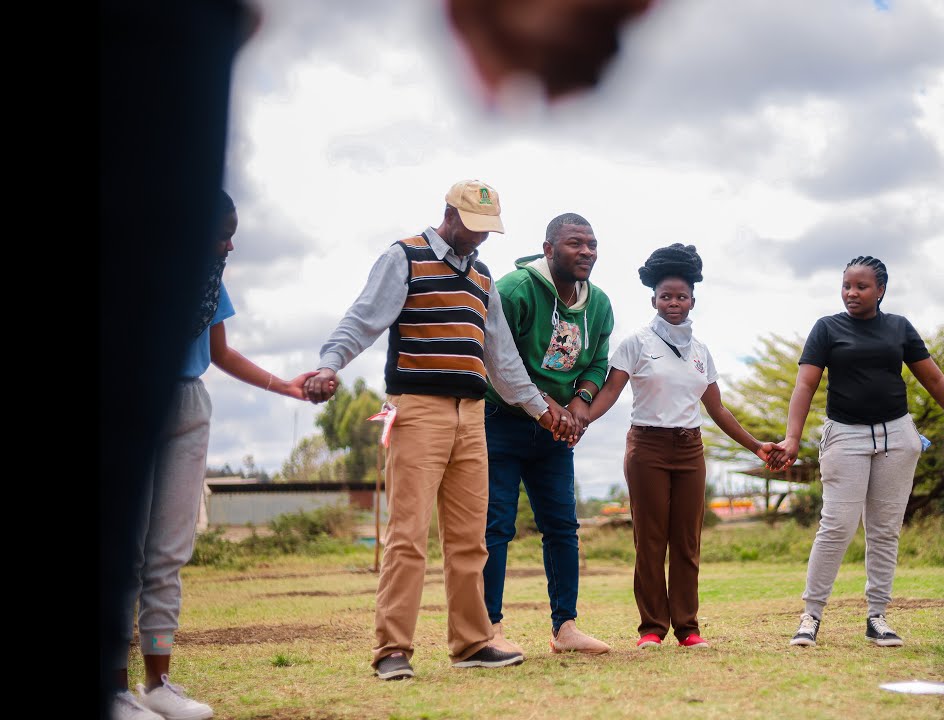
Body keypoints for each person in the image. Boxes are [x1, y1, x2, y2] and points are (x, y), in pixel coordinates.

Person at [302, 179, 579, 679]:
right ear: (449, 214)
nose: (480, 237)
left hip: (471, 415)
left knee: (470, 539)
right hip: (417, 410)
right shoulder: (405, 257)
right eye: (473, 226)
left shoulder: (483, 279)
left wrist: (542, 411)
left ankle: (471, 642)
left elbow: (503, 361)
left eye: (488, 229)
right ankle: (392, 650)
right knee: (408, 535)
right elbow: (363, 319)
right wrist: (329, 364)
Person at [113, 191, 318, 720]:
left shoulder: (207, 281)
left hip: (188, 405)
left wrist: (286, 387)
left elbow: (220, 351)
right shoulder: (134, 270)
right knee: (125, 555)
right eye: (222, 235)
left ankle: (157, 684)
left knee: (168, 555)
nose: (230, 245)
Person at [773, 255, 944, 650]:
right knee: (836, 526)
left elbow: (936, 381)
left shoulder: (899, 327)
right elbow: (805, 385)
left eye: (861, 286)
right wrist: (792, 438)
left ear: (881, 290)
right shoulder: (827, 328)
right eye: (846, 286)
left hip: (897, 436)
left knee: (884, 529)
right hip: (845, 436)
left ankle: (877, 617)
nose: (851, 293)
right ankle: (811, 616)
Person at [587, 243, 780, 649]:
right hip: (648, 448)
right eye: (666, 296)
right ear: (653, 300)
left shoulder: (701, 352)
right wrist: (580, 419)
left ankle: (688, 628)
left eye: (681, 296)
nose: (673, 303)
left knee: (687, 543)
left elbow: (717, 409)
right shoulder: (636, 343)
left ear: (693, 300)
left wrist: (756, 446)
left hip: (690, 449)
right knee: (650, 541)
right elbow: (610, 392)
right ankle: (652, 629)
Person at [482, 213, 615, 655]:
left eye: (592, 244)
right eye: (576, 243)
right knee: (496, 525)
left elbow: (598, 360)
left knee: (562, 526)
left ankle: (566, 628)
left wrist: (581, 400)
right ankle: (490, 628)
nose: (586, 251)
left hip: (555, 432)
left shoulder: (599, 303)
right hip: (500, 421)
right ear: (549, 248)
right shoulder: (514, 291)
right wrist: (543, 405)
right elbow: (498, 360)